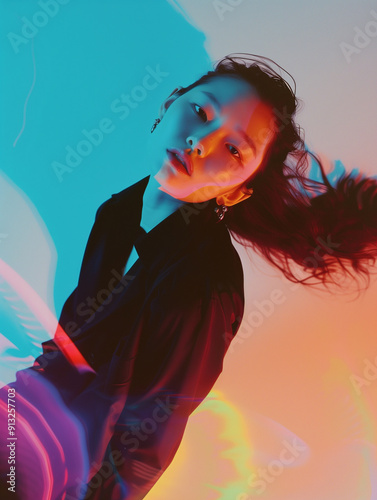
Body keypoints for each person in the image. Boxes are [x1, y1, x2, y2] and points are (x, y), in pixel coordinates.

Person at [1, 53, 377, 500]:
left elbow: (148, 445)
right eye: (200, 111)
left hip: (60, 473)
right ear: (168, 105)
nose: (200, 141)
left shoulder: (206, 287)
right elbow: (70, 339)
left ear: (238, 191)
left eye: (234, 149)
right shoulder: (117, 211)